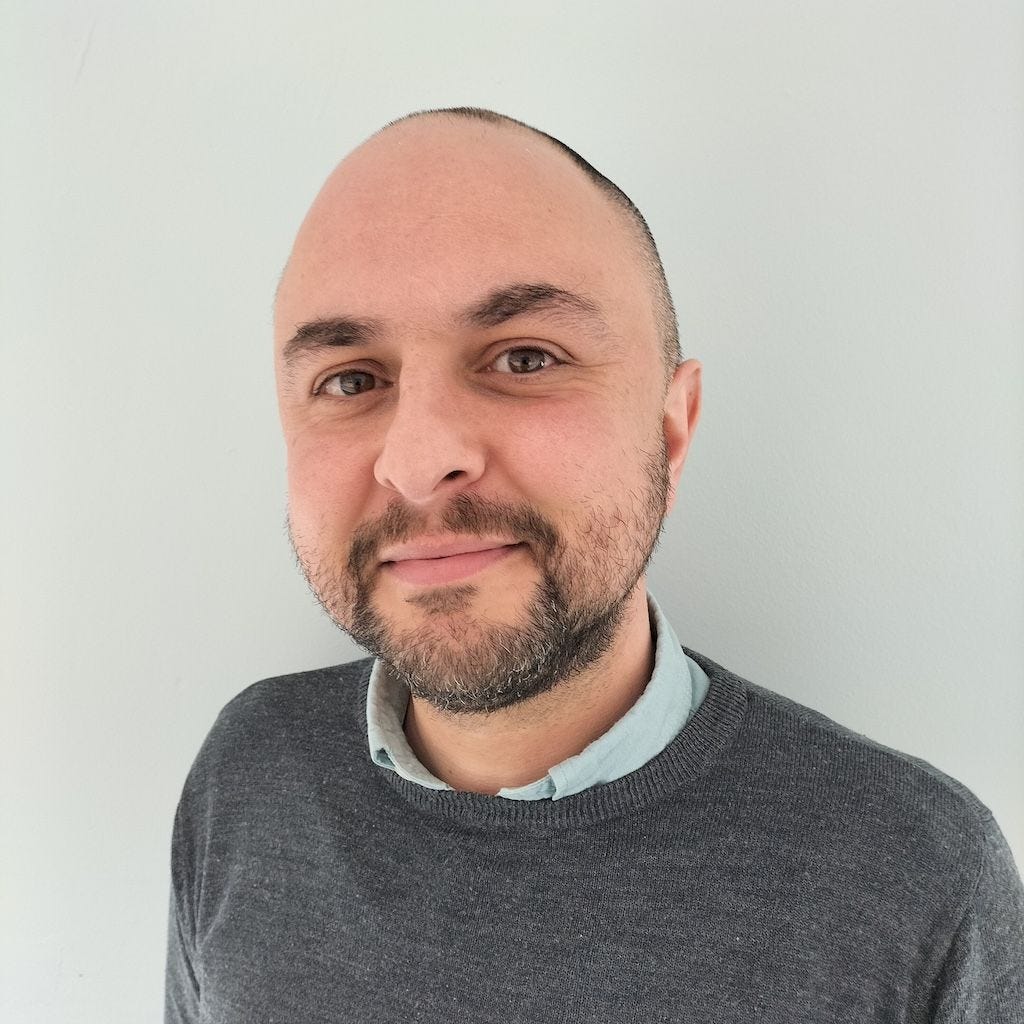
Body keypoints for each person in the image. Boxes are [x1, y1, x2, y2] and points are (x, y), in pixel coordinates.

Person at [165, 107, 1024, 1023]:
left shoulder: (914, 875)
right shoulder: (248, 771)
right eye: (350, 380)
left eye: (524, 357)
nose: (416, 462)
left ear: (672, 427)